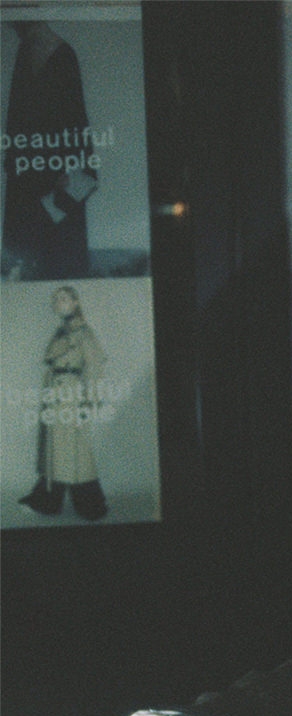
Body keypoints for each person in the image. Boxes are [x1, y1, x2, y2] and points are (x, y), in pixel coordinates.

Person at [2, 21, 97, 280]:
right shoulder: (28, 52)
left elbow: (76, 127)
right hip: (34, 184)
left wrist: (70, 179)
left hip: (52, 186)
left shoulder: (58, 56)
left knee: (55, 261)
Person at [20, 284, 107, 521]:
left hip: (70, 397)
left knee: (75, 453)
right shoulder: (62, 331)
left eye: (64, 299)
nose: (58, 303)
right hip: (56, 394)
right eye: (56, 299)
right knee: (56, 451)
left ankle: (89, 506)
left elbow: (94, 368)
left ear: (75, 303)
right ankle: (48, 500)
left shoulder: (83, 332)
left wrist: (88, 404)